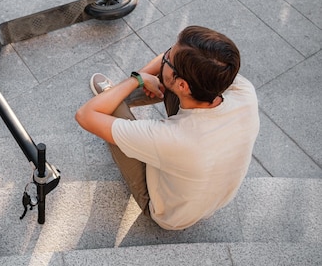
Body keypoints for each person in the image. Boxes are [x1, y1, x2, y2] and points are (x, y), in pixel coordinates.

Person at [75, 26, 259, 230]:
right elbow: (170, 63)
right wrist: (146, 76)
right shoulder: (244, 92)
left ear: (183, 87)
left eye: (169, 57)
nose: (165, 55)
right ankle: (124, 92)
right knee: (172, 73)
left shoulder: (170, 137)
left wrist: (136, 80)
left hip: (170, 215)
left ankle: (115, 96)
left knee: (109, 109)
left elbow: (85, 116)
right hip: (208, 194)